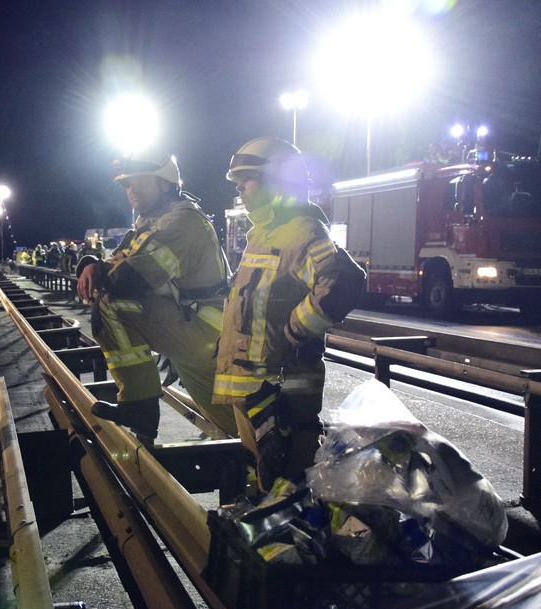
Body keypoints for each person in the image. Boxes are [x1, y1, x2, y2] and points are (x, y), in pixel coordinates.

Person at [214, 137, 366, 491]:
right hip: (254, 391)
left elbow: (344, 282)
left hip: (285, 394)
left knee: (290, 489)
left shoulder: (303, 231)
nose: (239, 186)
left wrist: (293, 332)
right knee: (266, 484)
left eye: (248, 177)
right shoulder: (263, 233)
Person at [76, 150, 237, 443]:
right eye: (126, 184)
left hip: (203, 331)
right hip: (193, 328)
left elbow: (129, 279)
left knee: (112, 306)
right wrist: (91, 263)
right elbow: (117, 261)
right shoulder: (153, 221)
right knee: (233, 423)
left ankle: (140, 408)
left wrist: (99, 272)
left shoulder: (182, 222)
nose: (131, 191)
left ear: (164, 184)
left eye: (139, 182)